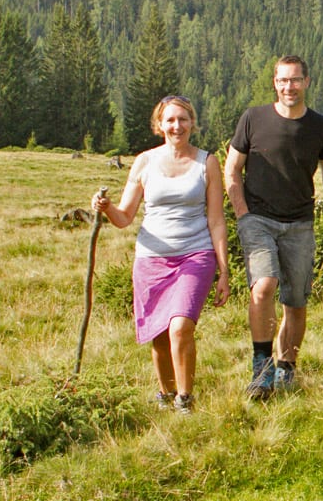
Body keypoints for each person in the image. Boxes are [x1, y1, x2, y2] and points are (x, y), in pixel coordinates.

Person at [224, 55, 323, 400]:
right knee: (263, 286)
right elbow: (231, 169)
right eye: (283, 81)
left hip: (300, 223)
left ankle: (286, 369)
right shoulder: (253, 118)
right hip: (259, 219)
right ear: (274, 83)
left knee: (295, 303)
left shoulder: (319, 126)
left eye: (295, 80)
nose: (289, 87)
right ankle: (261, 369)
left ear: (307, 82)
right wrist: (243, 214)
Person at [91, 95, 230, 414]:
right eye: (169, 120)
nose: (176, 125)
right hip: (151, 260)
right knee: (158, 334)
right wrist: (106, 208)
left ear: (192, 123)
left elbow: (216, 220)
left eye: (182, 119)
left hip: (195, 255)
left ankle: (185, 398)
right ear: (159, 125)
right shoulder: (144, 162)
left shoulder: (206, 162)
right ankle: (166, 396)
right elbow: (125, 217)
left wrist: (223, 269)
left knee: (181, 326)